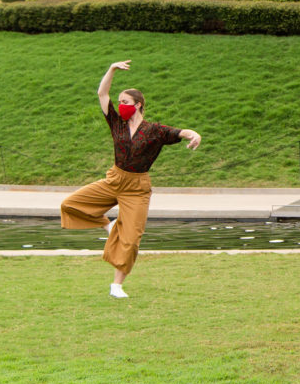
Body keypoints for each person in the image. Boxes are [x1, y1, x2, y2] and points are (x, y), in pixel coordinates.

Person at [60, 60, 201, 298]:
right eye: (120, 102)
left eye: (125, 102)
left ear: (138, 105)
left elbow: (179, 132)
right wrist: (112, 69)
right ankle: (108, 225)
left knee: (132, 238)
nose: (121, 105)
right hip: (114, 179)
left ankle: (116, 285)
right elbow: (101, 93)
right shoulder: (117, 123)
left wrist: (193, 134)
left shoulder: (154, 130)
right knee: (70, 204)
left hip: (137, 188)